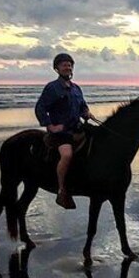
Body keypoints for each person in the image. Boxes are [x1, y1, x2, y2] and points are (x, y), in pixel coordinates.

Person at [35, 52, 95, 210]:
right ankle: (62, 191)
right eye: (64, 65)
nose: (67, 67)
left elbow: (82, 106)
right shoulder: (52, 88)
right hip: (61, 133)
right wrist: (50, 126)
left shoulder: (76, 88)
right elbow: (40, 108)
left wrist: (87, 112)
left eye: (69, 64)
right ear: (57, 68)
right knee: (67, 154)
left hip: (77, 127)